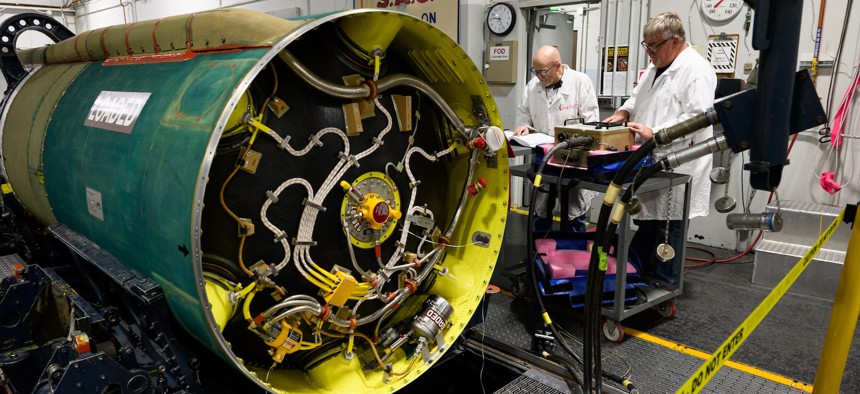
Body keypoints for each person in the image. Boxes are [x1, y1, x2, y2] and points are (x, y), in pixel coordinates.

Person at [603, 12, 716, 285]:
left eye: (654, 46)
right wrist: (622, 112)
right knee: (649, 221)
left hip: (679, 161)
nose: (649, 52)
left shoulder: (696, 71)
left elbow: (697, 119)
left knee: (670, 227)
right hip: (652, 157)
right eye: (647, 46)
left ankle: (665, 283)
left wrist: (655, 133)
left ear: (675, 41)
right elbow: (636, 97)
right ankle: (639, 274)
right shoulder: (656, 67)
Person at [514, 45, 599, 232]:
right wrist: (524, 127)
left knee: (573, 216)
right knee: (541, 212)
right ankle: (538, 256)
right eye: (535, 71)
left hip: (573, 160)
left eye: (542, 72)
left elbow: (592, 123)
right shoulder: (532, 86)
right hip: (544, 159)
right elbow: (524, 115)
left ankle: (572, 257)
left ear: (557, 66)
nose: (538, 76)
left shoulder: (580, 82)